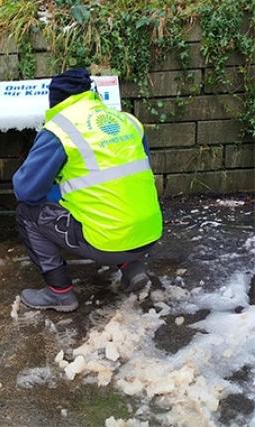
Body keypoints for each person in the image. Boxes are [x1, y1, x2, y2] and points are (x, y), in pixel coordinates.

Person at [13, 68, 160, 312]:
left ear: (55, 100)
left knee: (26, 212)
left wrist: (56, 191)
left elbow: (26, 190)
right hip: (149, 233)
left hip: (108, 241)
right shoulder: (127, 121)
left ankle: (59, 293)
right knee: (115, 200)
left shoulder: (60, 131)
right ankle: (133, 268)